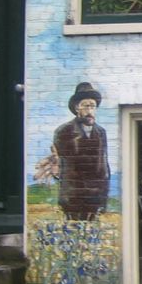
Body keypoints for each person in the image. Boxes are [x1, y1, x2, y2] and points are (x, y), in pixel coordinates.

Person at [53, 82, 110, 221]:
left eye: (93, 106)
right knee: (73, 230)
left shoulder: (101, 132)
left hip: (94, 199)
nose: (90, 110)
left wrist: (103, 199)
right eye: (86, 106)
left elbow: (103, 166)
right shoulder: (64, 131)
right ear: (77, 108)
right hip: (73, 198)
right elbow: (61, 167)